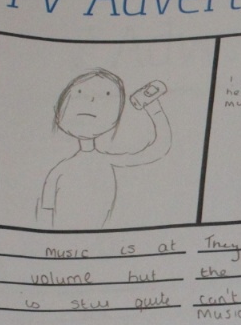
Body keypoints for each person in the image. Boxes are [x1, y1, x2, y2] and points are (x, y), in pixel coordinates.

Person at [37, 69, 172, 228]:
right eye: (80, 93)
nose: (91, 100)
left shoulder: (101, 161)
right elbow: (45, 211)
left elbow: (158, 149)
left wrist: (155, 110)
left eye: (107, 95)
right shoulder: (60, 170)